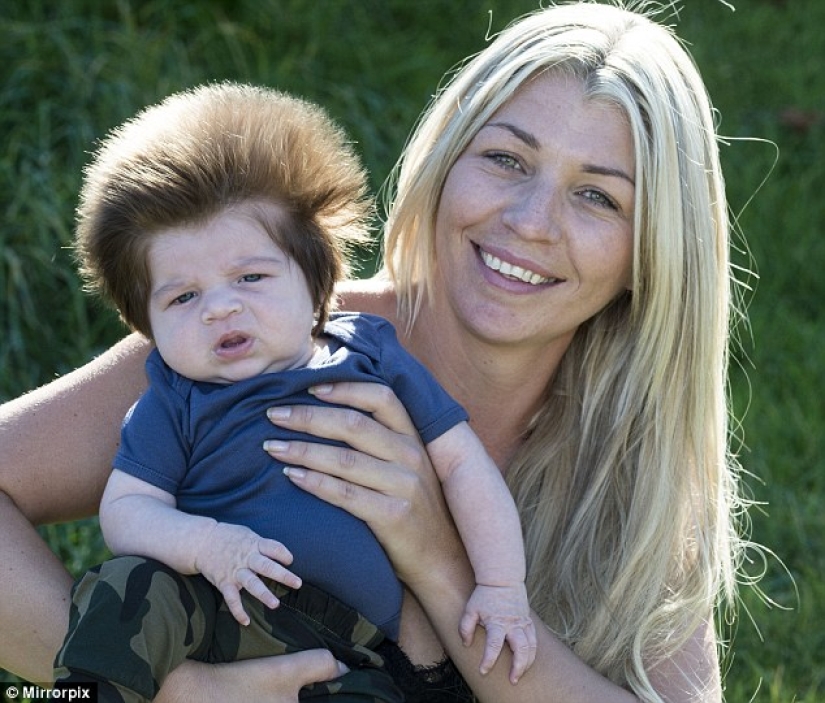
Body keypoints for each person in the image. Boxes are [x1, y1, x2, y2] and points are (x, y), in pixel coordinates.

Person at [0, 2, 751, 702]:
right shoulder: (247, 342)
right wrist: (177, 691)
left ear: (653, 251)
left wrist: (437, 558)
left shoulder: (632, 460)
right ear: (445, 160)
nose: (530, 221)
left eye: (598, 197)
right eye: (506, 160)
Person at [49, 82, 535, 702]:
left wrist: (501, 586)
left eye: (250, 277)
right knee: (130, 588)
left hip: (357, 642)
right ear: (145, 325)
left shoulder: (370, 354)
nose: (219, 308)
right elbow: (125, 511)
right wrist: (205, 545)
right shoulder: (176, 399)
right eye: (182, 297)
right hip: (224, 603)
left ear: (317, 282)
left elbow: (463, 463)